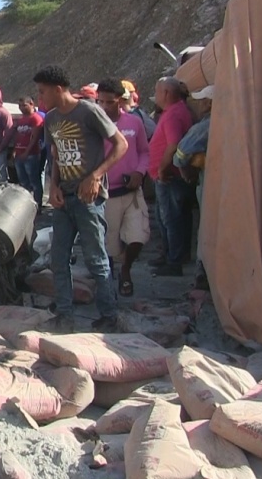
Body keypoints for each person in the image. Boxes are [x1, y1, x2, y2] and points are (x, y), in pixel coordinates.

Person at [34, 65, 128, 331]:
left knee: (96, 258)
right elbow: (55, 156)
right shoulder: (51, 119)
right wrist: (53, 186)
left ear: (58, 89)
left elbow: (121, 144)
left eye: (43, 92)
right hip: (64, 198)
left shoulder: (89, 112)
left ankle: (109, 315)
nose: (40, 98)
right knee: (58, 258)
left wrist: (96, 175)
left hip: (89, 198)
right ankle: (65, 314)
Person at [96, 79, 151, 297]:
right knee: (109, 244)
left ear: (120, 101)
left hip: (132, 192)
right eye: (100, 101)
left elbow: (145, 152)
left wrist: (140, 172)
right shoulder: (94, 126)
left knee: (139, 237)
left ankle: (126, 270)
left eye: (109, 102)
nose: (104, 107)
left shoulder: (134, 123)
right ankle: (108, 282)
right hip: (107, 194)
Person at [148, 76, 194, 276]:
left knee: (170, 218)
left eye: (157, 92)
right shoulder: (176, 112)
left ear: (166, 93)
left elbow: (173, 144)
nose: (155, 96)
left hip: (169, 176)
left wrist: (162, 168)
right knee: (171, 217)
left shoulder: (174, 114)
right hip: (170, 175)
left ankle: (173, 260)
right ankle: (171, 255)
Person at [173, 84, 213, 290]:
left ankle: (204, 274)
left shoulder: (205, 126)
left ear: (208, 103)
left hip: (211, 185)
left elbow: (181, 154)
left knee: (207, 228)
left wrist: (186, 174)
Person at [12, 96, 45, 206]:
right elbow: (17, 135)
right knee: (23, 183)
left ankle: (37, 205)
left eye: (24, 105)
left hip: (31, 155)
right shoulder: (21, 120)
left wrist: (27, 152)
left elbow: (34, 138)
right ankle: (26, 206)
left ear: (31, 104)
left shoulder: (36, 118)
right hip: (19, 154)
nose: (21, 108)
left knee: (34, 182)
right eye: (20, 106)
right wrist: (14, 150)